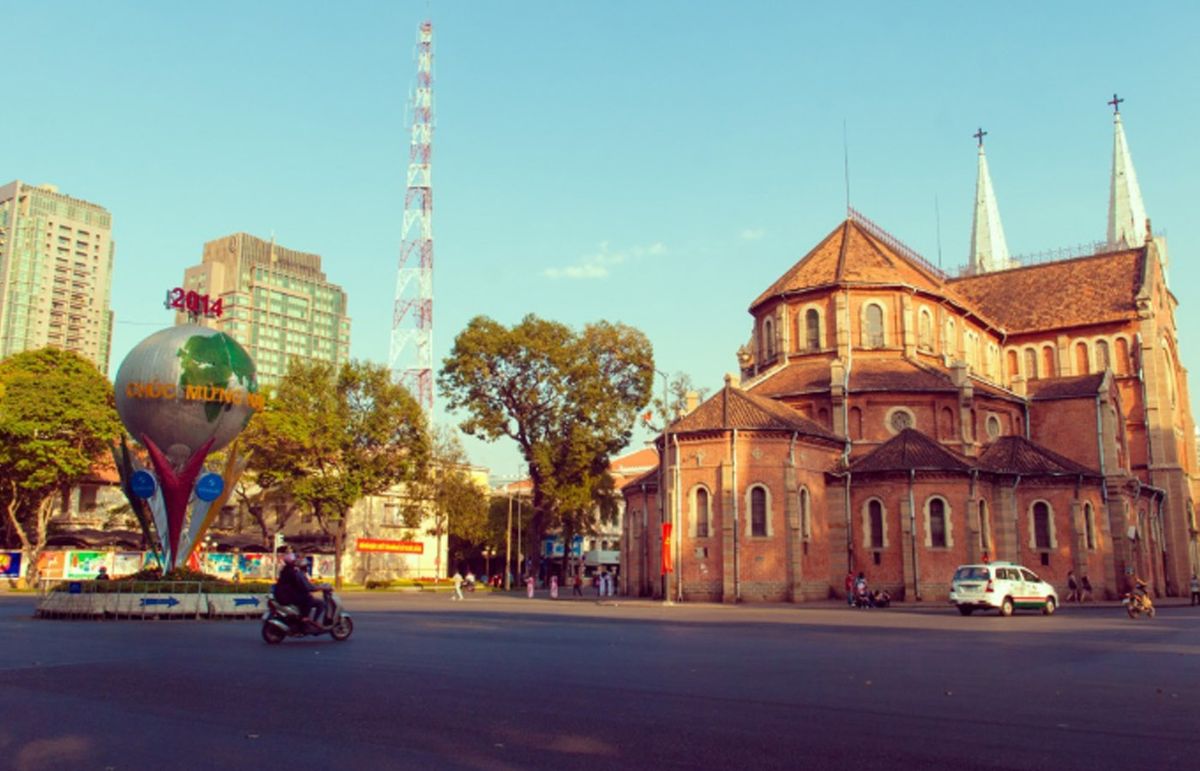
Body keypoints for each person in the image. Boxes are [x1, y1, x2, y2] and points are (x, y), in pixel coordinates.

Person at [275, 552, 325, 629]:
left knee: (306, 597)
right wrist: (318, 587)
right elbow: (304, 586)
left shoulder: (285, 570)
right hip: (286, 596)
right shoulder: (293, 572)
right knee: (308, 598)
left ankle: (303, 619)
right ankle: (305, 618)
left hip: (282, 594)